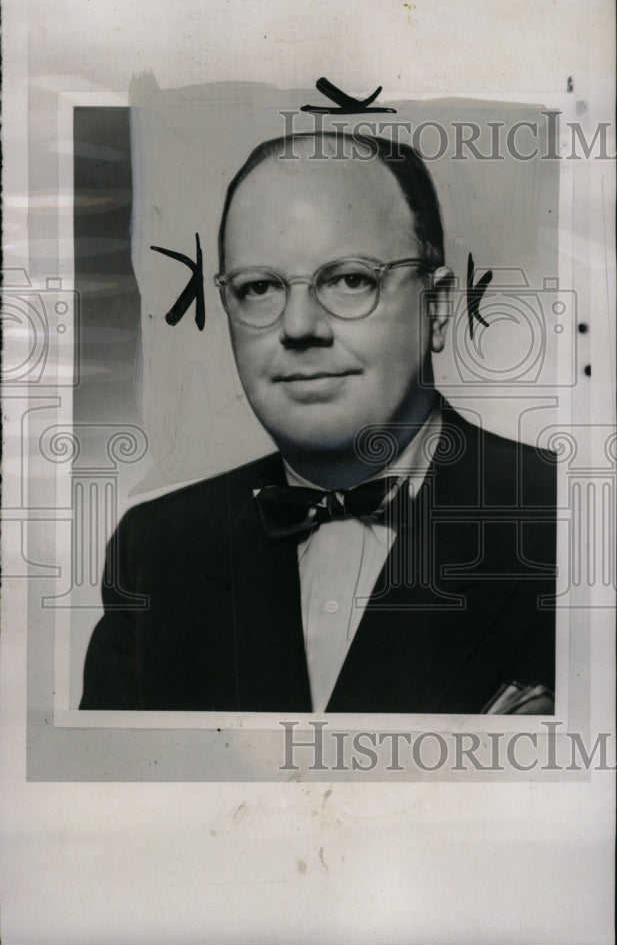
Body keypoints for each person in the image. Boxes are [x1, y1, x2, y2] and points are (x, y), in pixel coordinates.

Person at [81, 131, 556, 714]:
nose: (301, 326)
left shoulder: (571, 516)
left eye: (351, 279)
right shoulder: (154, 550)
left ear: (436, 309)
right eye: (259, 288)